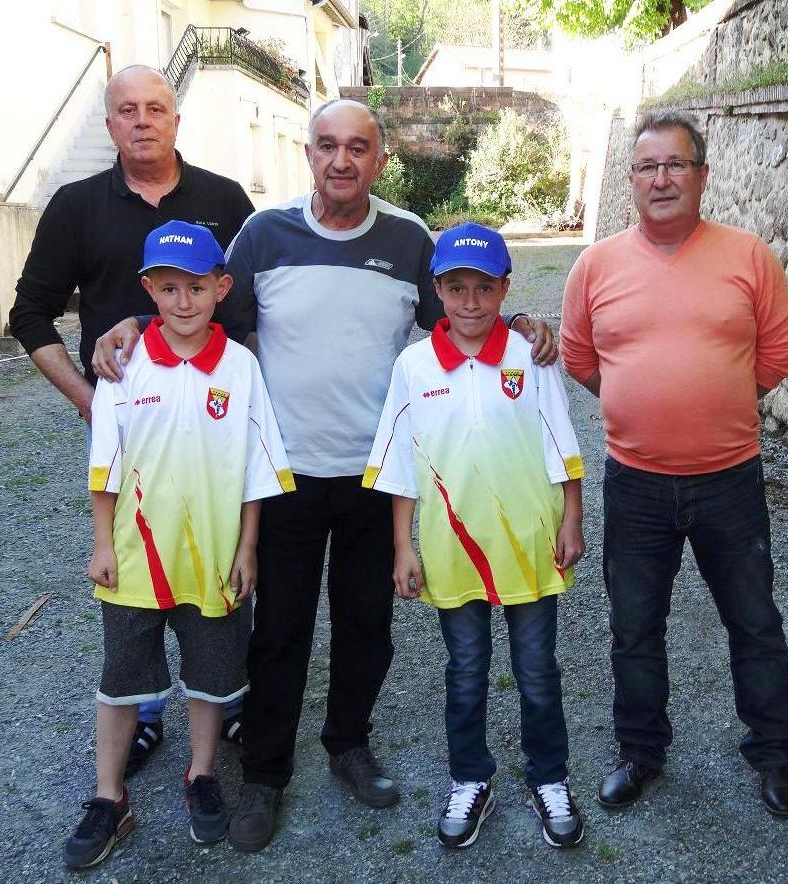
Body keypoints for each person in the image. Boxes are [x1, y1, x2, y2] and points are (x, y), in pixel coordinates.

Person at [93, 98, 559, 851]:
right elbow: (195, 305)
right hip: (285, 475)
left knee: (366, 625)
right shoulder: (264, 233)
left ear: (380, 160)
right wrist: (134, 327)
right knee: (279, 630)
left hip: (378, 475)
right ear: (307, 154)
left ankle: (348, 744)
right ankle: (267, 775)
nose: (341, 160)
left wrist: (527, 326)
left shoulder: (410, 238)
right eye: (326, 146)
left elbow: (467, 306)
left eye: (358, 148)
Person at [9, 65, 256, 772]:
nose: (142, 120)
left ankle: (225, 692)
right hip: (130, 421)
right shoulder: (77, 205)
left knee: (219, 552)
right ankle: (144, 708)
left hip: (212, 419)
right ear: (111, 123)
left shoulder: (224, 199)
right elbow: (29, 313)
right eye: (126, 110)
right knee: (133, 563)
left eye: (156, 108)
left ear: (176, 119)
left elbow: (240, 308)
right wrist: (90, 400)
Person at [560, 110, 788, 817]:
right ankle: (640, 752)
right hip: (635, 482)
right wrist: (642, 403)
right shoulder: (596, 265)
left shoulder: (748, 255)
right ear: (630, 180)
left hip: (729, 478)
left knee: (754, 621)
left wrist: (724, 397)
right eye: (648, 167)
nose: (662, 178)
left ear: (702, 176)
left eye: (676, 165)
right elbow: (580, 358)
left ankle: (773, 754)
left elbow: (779, 353)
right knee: (635, 626)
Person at [63, 222, 294, 870]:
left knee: (211, 680)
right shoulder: (122, 364)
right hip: (135, 561)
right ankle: (110, 797)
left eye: (197, 286)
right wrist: (101, 545)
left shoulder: (242, 367)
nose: (184, 301)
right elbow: (104, 467)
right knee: (120, 682)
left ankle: (201, 775)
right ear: (148, 290)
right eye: (169, 288)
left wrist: (247, 549)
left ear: (221, 287)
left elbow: (256, 467)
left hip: (214, 559)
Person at [363, 223, 586, 849]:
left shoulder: (529, 356)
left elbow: (560, 442)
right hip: (451, 547)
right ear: (436, 290)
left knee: (537, 669)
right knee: (465, 670)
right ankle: (470, 778)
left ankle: (549, 777)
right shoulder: (412, 366)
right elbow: (400, 463)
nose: (469, 303)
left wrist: (572, 517)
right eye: (455, 288)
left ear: (504, 288)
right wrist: (404, 546)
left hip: (528, 540)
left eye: (483, 288)